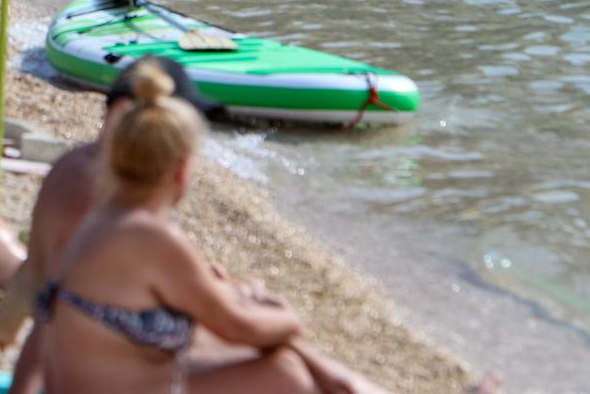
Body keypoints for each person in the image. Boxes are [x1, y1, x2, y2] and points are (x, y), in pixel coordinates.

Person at [34, 60, 393, 394]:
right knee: (285, 375)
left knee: (279, 360)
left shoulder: (106, 217)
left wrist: (246, 305)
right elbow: (241, 327)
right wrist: (287, 316)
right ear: (181, 170)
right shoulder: (152, 237)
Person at [0, 59, 224, 394]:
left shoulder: (74, 163)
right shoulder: (95, 188)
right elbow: (57, 309)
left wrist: (5, 325)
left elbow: (38, 276)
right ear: (125, 113)